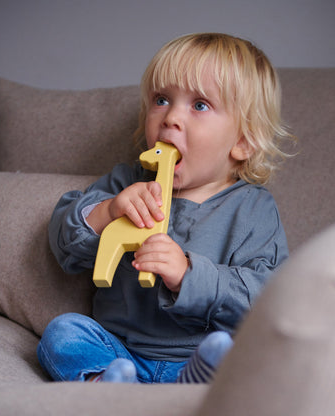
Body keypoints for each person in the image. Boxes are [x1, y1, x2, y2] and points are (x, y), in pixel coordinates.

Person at [37, 32, 293, 384]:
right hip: (121, 351)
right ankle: (106, 384)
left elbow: (268, 297)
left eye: (199, 105)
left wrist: (189, 274)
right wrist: (108, 211)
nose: (171, 117)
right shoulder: (128, 181)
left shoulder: (253, 208)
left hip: (198, 355)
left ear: (243, 141)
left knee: (239, 354)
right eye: (161, 99)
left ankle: (196, 386)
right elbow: (62, 240)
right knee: (63, 332)